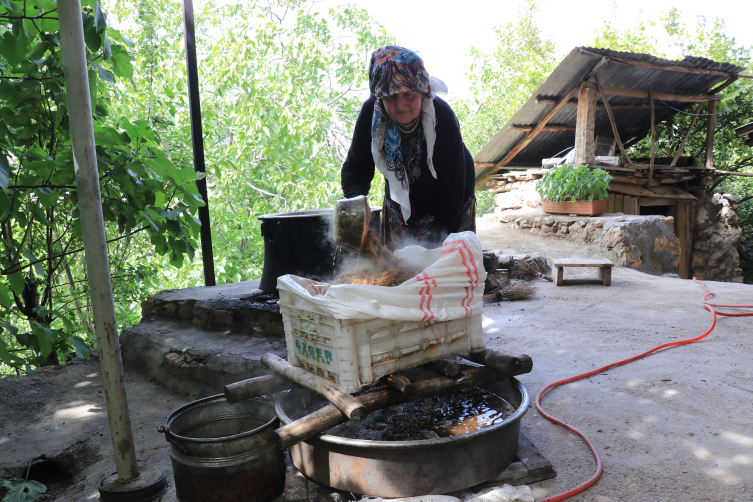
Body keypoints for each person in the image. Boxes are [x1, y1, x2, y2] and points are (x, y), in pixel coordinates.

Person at [341, 45, 476, 250]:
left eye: (409, 95)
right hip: (401, 200)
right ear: (379, 96)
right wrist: (357, 204)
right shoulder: (372, 115)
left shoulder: (441, 116)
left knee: (443, 266)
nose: (401, 105)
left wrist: (433, 247)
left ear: (422, 92)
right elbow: (356, 168)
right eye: (391, 97)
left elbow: (453, 187)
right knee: (399, 271)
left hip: (450, 196)